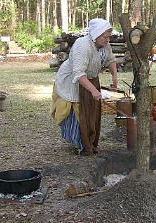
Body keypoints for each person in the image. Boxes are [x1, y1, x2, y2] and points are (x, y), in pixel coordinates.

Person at [50, 18, 118, 155]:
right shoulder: (82, 46)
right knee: (78, 113)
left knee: (92, 112)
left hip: (91, 79)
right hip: (73, 80)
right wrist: (94, 91)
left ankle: (90, 141)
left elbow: (111, 60)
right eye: (105, 37)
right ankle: (80, 144)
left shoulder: (105, 44)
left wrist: (115, 77)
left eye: (109, 37)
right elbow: (79, 74)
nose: (107, 40)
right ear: (96, 34)